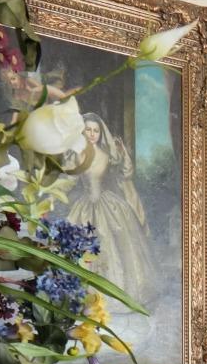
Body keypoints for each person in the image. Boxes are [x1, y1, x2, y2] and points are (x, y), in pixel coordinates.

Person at [63, 112, 158, 302]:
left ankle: (115, 294)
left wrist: (123, 153)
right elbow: (68, 181)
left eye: (96, 131)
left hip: (109, 207)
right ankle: (83, 296)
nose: (92, 134)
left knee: (117, 246)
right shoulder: (76, 156)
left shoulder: (107, 155)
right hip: (84, 208)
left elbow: (125, 173)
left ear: (100, 133)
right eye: (88, 130)